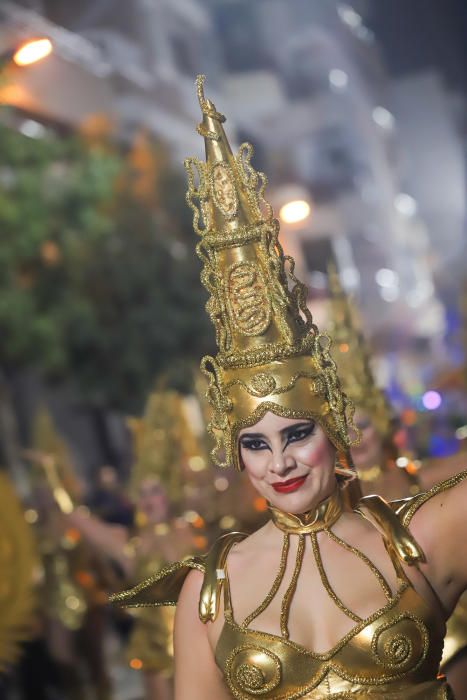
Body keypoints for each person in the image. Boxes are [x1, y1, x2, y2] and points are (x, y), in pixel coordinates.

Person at [112, 76, 467, 699]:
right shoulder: (209, 589)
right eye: (255, 442)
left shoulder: (418, 541)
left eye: (296, 433)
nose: (278, 463)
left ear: (332, 425)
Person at [328, 264, 467, 698]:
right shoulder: (333, 501)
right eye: (345, 429)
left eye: (365, 424)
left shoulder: (419, 476)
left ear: (384, 425)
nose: (357, 437)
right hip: (385, 637)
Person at [39, 390, 196, 700]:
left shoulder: (192, 530)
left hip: (201, 641)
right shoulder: (128, 543)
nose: (150, 500)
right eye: (144, 493)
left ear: (168, 494)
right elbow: (75, 519)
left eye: (156, 492)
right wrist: (53, 475)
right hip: (155, 650)